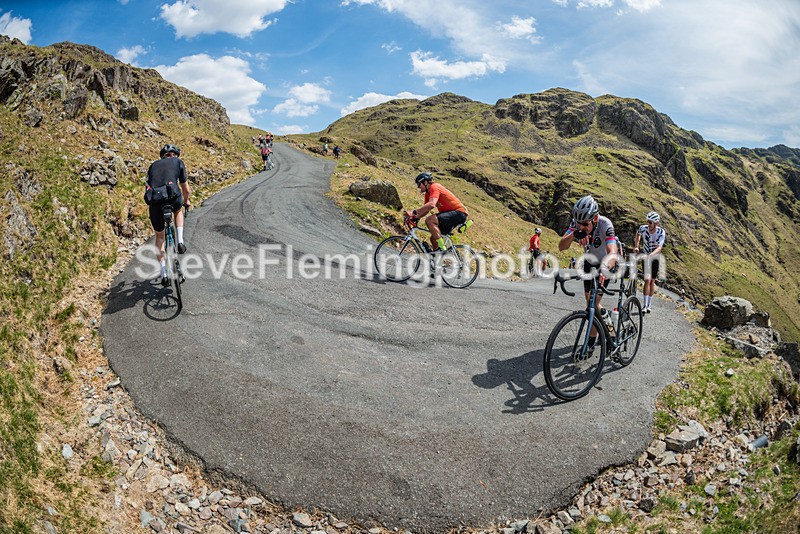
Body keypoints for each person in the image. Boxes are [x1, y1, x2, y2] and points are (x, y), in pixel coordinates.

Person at [558, 195, 618, 353]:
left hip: (606, 262)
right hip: (589, 262)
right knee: (590, 303)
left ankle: (599, 339)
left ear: (595, 218)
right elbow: (561, 246)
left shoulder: (606, 224)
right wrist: (574, 234)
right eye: (579, 223)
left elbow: (612, 252)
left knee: (594, 302)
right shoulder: (576, 224)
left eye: (585, 224)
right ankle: (604, 327)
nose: (582, 226)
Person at [146, 144, 191, 286]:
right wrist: (186, 201)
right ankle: (180, 242)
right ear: (175, 155)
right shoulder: (178, 162)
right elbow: (186, 189)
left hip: (155, 203)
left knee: (160, 237)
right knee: (178, 211)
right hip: (173, 197)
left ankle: (164, 274)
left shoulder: (153, 165)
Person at [404, 172, 468, 253]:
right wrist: (414, 217)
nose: (418, 187)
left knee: (430, 220)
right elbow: (426, 210)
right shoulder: (427, 194)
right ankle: (437, 261)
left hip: (459, 212)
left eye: (419, 184)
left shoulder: (434, 187)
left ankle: (442, 248)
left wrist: (413, 212)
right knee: (434, 239)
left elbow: (432, 204)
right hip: (452, 214)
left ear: (425, 182)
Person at [634, 211, 666, 313]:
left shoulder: (661, 232)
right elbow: (638, 234)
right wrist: (637, 245)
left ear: (656, 223)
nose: (648, 224)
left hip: (655, 257)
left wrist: (651, 256)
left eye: (650, 222)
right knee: (647, 280)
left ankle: (649, 304)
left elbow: (659, 248)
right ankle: (644, 305)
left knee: (652, 281)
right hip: (646, 255)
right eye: (647, 221)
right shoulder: (643, 228)